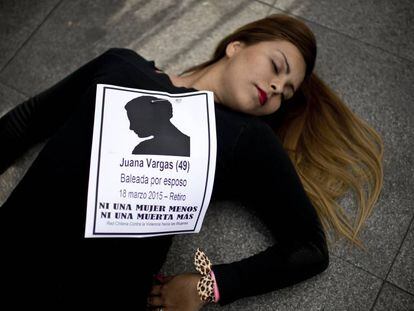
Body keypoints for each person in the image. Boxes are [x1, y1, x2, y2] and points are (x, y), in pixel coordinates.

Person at [0, 14, 383, 310]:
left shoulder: (245, 140)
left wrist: (210, 285)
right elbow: (28, 120)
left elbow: (308, 248)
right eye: (276, 67)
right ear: (236, 45)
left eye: (286, 92)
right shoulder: (122, 66)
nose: (275, 88)